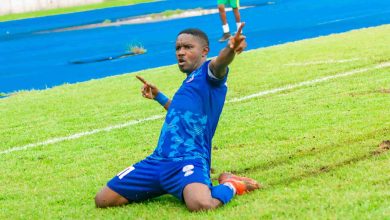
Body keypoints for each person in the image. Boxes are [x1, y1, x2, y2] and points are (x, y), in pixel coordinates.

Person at [94, 23, 260, 211]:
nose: (181, 52)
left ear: (204, 51)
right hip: (157, 161)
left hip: (189, 159)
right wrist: (159, 97)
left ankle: (232, 184)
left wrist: (230, 48)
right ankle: (166, 185)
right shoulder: (188, 83)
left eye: (188, 47)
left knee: (201, 204)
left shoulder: (209, 74)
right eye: (178, 48)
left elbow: (220, 63)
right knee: (103, 200)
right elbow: (180, 113)